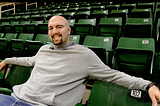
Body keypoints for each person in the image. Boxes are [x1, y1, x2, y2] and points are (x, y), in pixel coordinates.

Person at [0, 16, 160, 106]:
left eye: (59, 27)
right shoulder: (44, 49)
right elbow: (28, 61)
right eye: (50, 28)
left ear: (68, 30)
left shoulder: (84, 55)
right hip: (13, 98)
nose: (54, 31)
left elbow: (114, 75)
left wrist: (148, 85)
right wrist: (6, 60)